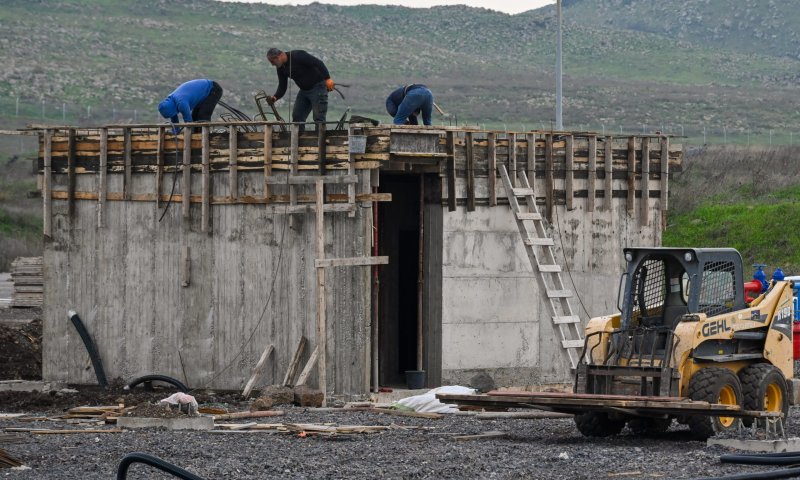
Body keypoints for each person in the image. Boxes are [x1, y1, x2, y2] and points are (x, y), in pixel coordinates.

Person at [266, 48, 334, 127]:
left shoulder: (298, 55)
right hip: (304, 91)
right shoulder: (280, 68)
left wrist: (328, 78)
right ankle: (298, 138)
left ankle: (320, 138)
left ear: (280, 56)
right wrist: (275, 97)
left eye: (272, 61)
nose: (272, 64)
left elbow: (318, 63)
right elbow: (282, 85)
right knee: (297, 117)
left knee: (319, 118)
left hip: (318, 87)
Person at [158, 79, 223, 132]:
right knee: (195, 116)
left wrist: (190, 135)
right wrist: (175, 132)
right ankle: (198, 136)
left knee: (203, 115)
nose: (172, 115)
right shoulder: (171, 103)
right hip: (202, 95)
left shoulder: (181, 102)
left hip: (213, 89)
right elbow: (174, 121)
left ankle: (204, 137)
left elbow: (188, 122)